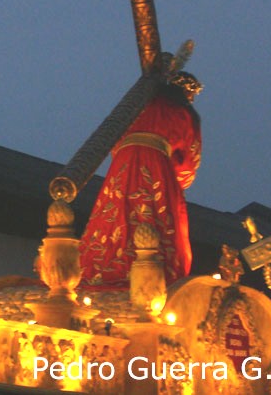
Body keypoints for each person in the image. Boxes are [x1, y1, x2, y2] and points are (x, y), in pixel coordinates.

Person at [80, 72, 202, 287]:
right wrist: (174, 177)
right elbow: (187, 164)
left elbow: (114, 140)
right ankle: (154, 277)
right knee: (155, 218)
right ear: (187, 93)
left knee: (114, 214)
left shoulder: (136, 105)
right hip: (157, 166)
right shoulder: (184, 113)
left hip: (123, 166)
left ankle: (100, 268)